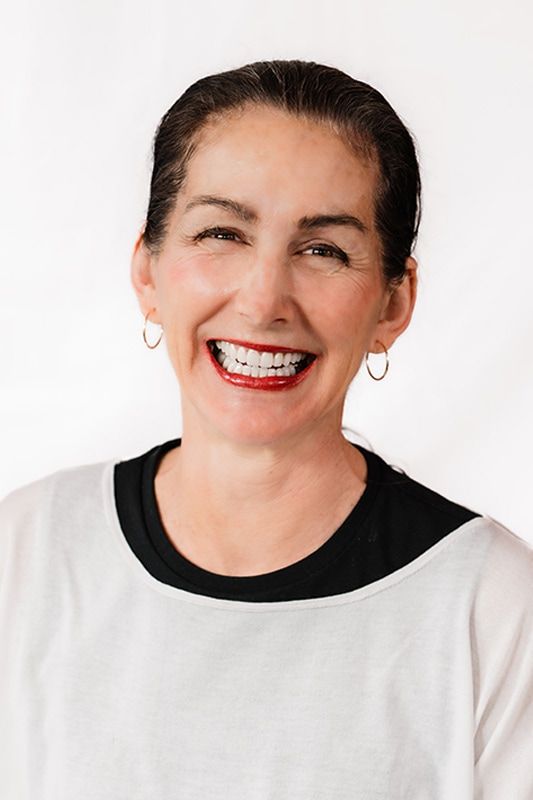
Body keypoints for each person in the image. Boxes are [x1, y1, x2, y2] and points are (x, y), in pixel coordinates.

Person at [1, 59, 532, 799]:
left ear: (393, 302)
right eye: (221, 232)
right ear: (148, 271)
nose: (263, 300)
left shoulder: (492, 609)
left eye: (323, 250)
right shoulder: (23, 554)